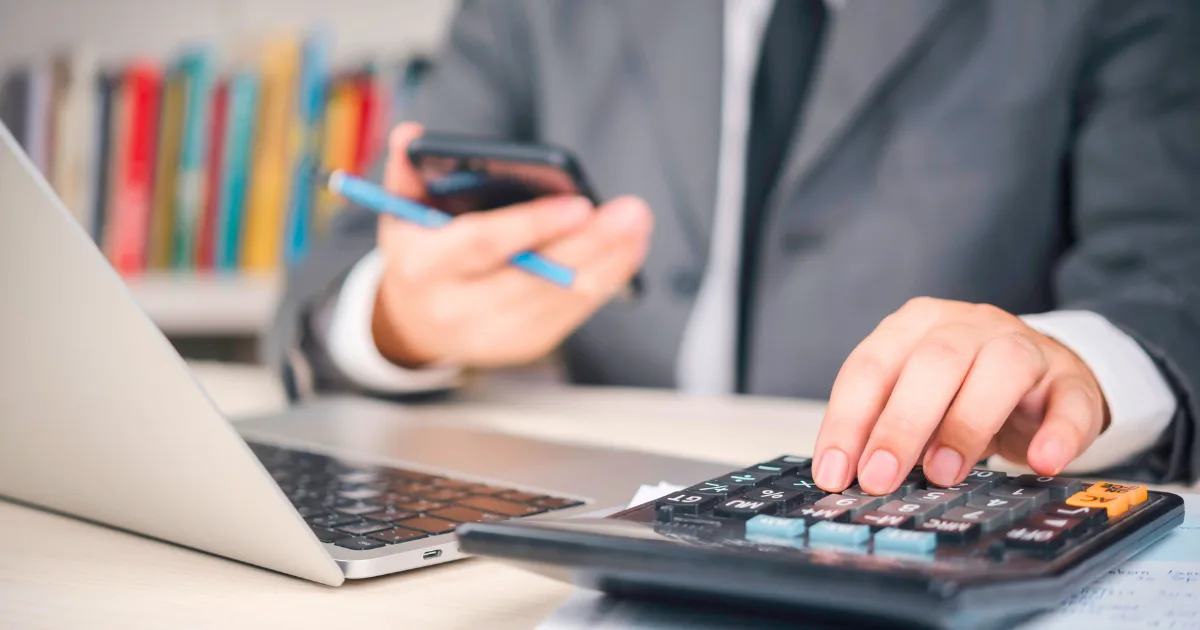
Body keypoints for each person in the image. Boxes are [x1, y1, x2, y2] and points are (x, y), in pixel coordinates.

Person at [269, 0, 1200, 495]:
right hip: (581, 518)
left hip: (915, 524)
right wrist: (402, 318)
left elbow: (1172, 276)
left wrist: (1083, 365)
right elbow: (333, 279)